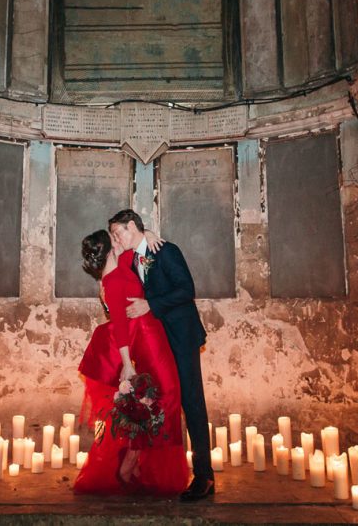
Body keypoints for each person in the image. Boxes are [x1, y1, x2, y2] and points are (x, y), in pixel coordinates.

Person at [108, 209, 214, 502]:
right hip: (156, 344)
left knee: (192, 403)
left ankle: (204, 476)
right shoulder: (134, 257)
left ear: (132, 226)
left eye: (118, 232)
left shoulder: (165, 251)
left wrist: (149, 305)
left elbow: (186, 289)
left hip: (181, 338)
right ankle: (155, 469)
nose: (116, 238)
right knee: (159, 404)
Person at [74, 229, 190, 496]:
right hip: (143, 340)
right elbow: (121, 327)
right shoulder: (112, 281)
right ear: (109, 249)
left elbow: (136, 246)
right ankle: (129, 465)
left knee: (158, 399)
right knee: (165, 397)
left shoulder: (123, 262)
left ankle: (137, 463)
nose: (119, 239)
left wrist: (147, 233)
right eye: (114, 238)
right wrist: (127, 364)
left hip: (151, 335)